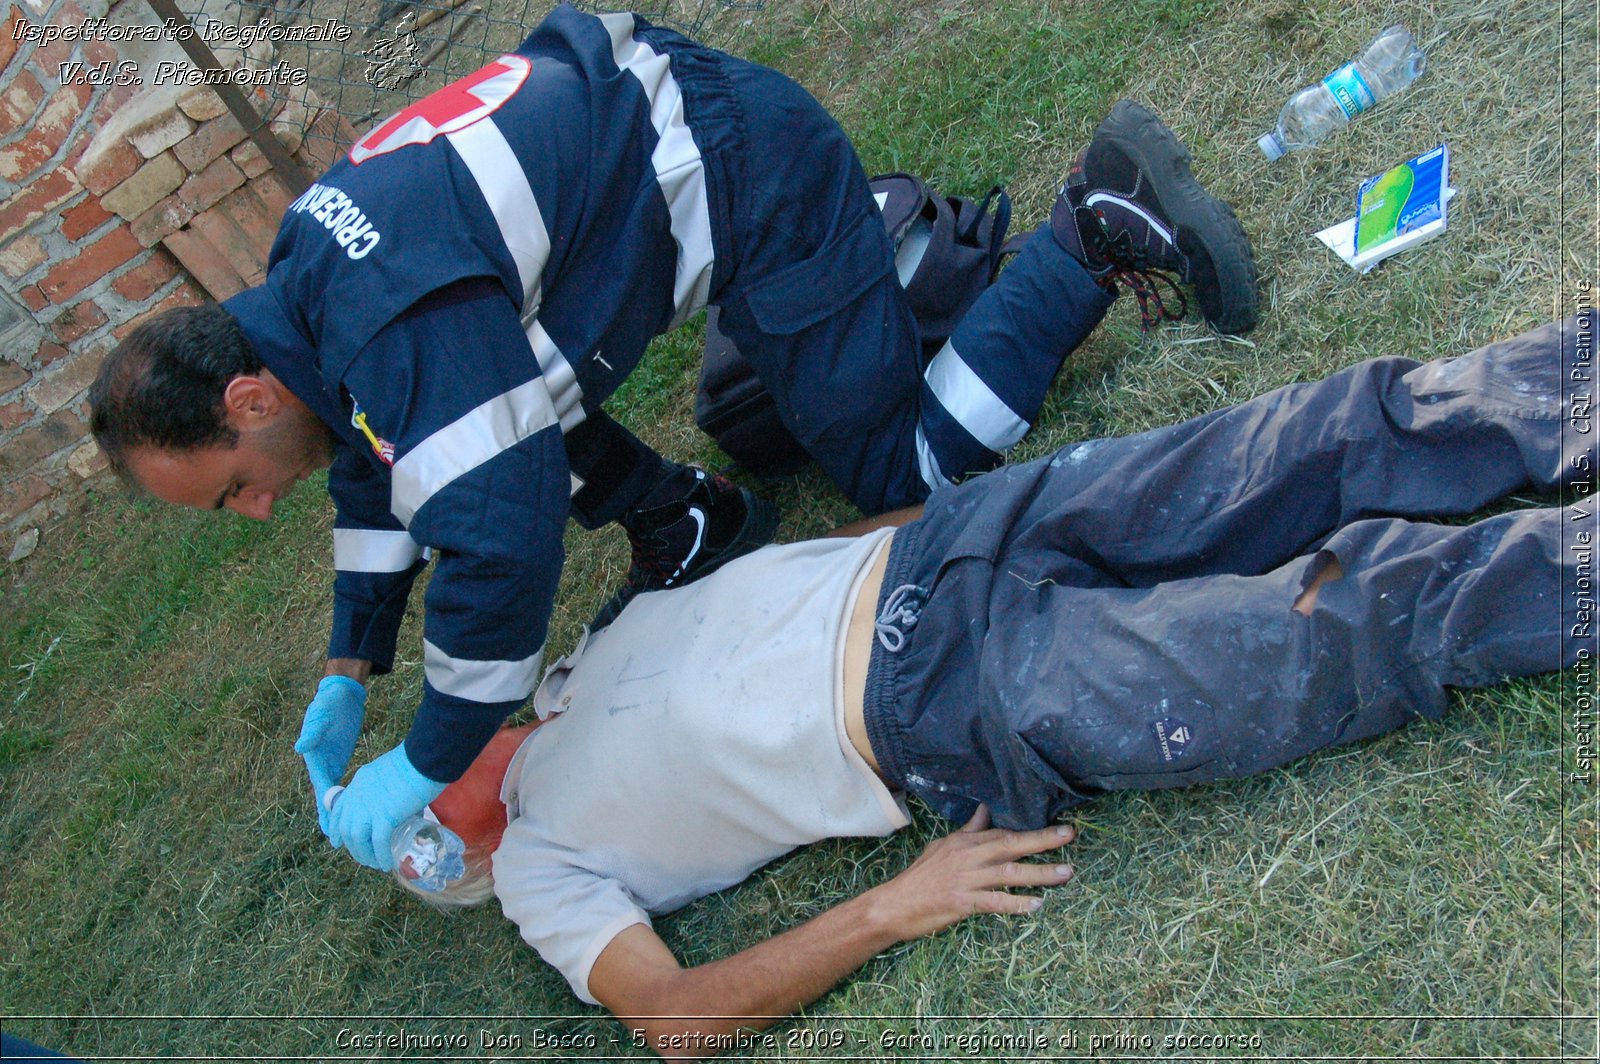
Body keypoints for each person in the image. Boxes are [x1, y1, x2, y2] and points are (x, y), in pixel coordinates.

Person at [84, 4, 1259, 870]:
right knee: (586, 427)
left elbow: (499, 549)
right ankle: (689, 506)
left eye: (233, 488)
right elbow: (374, 456)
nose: (254, 508)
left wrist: (427, 759)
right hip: (672, 133)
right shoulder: (300, 288)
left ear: (245, 401)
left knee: (906, 472)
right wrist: (350, 665)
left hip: (754, 175)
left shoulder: (383, 323)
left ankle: (1092, 227)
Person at [394, 315, 1588, 1055]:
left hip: (951, 542)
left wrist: (948, 514)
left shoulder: (570, 665)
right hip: (942, 701)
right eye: (410, 830)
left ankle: (1565, 383)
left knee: (1300, 439)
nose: (422, 808)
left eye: (402, 790)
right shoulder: (540, 873)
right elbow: (674, 1019)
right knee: (1319, 630)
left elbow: (764, 578)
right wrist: (895, 904)